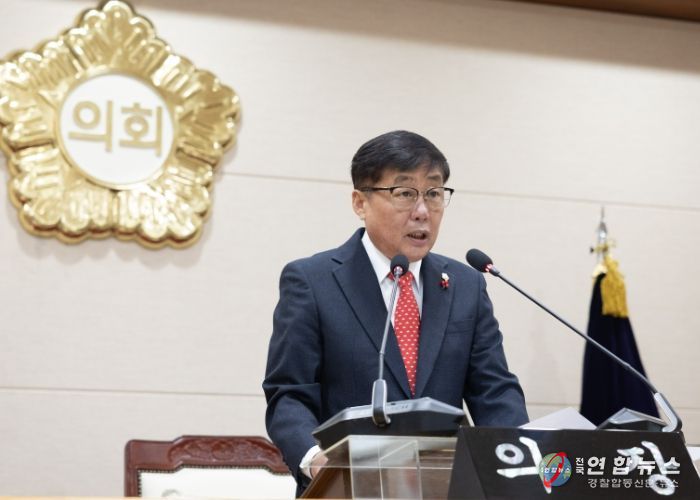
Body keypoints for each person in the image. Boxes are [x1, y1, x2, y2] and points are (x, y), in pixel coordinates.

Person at [263, 130, 528, 494]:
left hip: (448, 488)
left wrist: (519, 458)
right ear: (360, 203)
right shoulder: (312, 281)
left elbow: (494, 392)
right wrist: (316, 462)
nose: (422, 211)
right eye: (405, 193)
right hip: (347, 490)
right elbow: (289, 394)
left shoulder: (466, 285)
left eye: (433, 194)